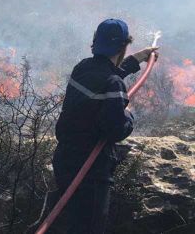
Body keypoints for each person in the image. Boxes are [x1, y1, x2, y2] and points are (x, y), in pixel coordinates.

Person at [52, 19, 158, 233]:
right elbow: (116, 130)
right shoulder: (113, 84)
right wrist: (128, 116)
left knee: (71, 222)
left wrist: (137, 58)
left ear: (95, 42)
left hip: (65, 160)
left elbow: (106, 74)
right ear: (123, 46)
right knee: (90, 227)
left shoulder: (82, 67)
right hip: (91, 171)